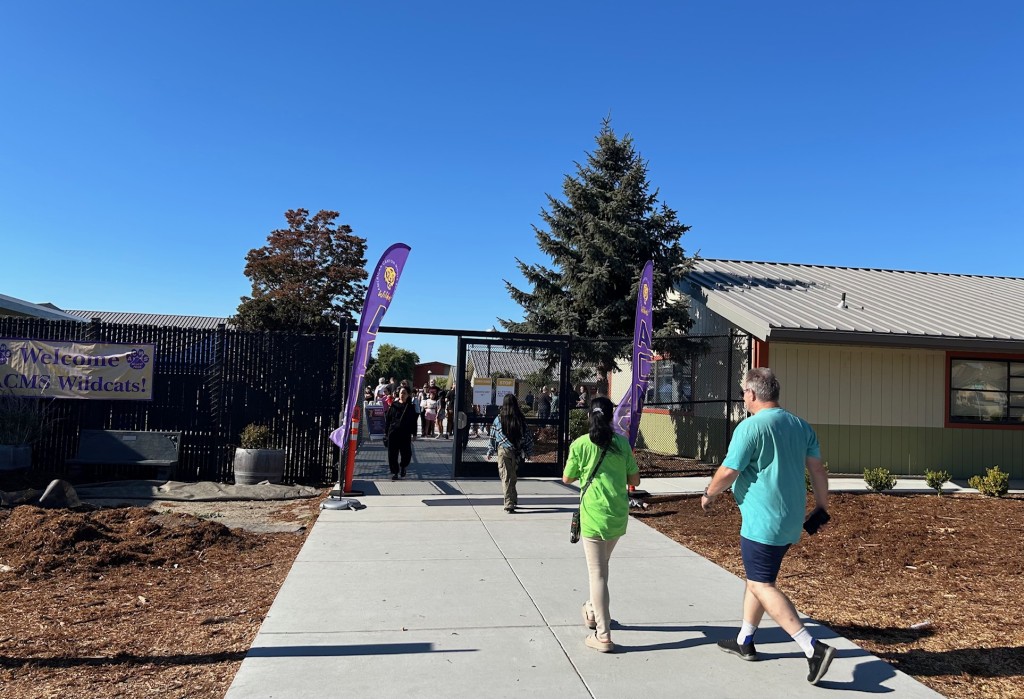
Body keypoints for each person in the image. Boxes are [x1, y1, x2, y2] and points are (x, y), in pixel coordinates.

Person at [702, 367, 834, 685]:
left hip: (763, 522)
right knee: (757, 579)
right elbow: (817, 469)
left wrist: (709, 494)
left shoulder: (750, 428)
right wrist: (821, 506)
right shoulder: (800, 425)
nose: (742, 397)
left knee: (762, 584)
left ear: (751, 394)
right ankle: (745, 641)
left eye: (743, 392)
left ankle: (812, 648)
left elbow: (729, 471)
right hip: (790, 519)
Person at [563, 396, 640, 654]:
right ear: (611, 418)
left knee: (597, 574)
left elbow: (567, 478)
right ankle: (592, 609)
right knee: (601, 568)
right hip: (617, 515)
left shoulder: (580, 444)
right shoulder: (622, 444)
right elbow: (635, 480)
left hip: (593, 516)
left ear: (589, 417)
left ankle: (603, 634)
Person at [486, 394, 533, 513]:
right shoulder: (521, 419)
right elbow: (527, 436)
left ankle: (509, 503)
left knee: (506, 477)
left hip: (504, 450)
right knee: (513, 476)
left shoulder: (499, 419)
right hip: (517, 451)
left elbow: (493, 436)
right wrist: (528, 451)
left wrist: (490, 450)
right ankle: (513, 499)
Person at [384, 387, 418, 480]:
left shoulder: (410, 407)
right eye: (401, 393)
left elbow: (413, 421)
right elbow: (388, 419)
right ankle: (395, 472)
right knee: (392, 454)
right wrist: (386, 432)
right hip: (393, 432)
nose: (402, 395)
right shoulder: (393, 405)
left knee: (407, 453)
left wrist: (414, 434)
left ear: (408, 395)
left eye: (404, 393)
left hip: (405, 433)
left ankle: (403, 466)